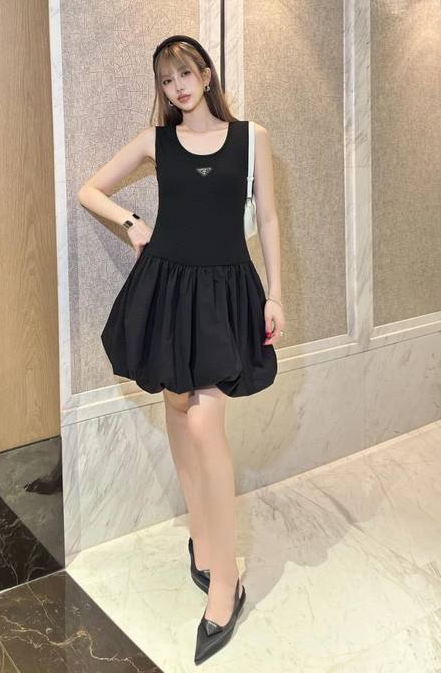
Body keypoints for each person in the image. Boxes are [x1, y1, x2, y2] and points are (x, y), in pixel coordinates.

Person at [77, 34, 284, 664]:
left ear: (207, 74)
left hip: (224, 292)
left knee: (204, 422)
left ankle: (227, 580)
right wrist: (132, 223)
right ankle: (201, 538)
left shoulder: (251, 137)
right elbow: (90, 189)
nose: (178, 88)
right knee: (175, 406)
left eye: (186, 74)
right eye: (167, 81)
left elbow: (268, 219)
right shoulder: (156, 141)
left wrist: (276, 295)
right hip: (168, 288)